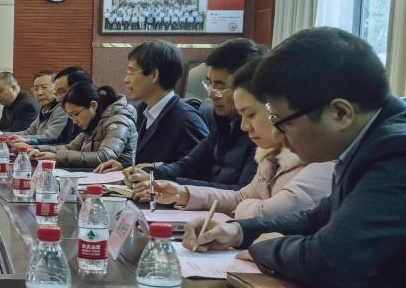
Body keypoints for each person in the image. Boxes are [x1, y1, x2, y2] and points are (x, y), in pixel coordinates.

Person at [185, 28, 406, 288]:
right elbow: (316, 218)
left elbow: (332, 261)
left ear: (340, 113)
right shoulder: (366, 141)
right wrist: (238, 231)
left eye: (282, 121)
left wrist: (266, 248)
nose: (278, 135)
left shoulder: (395, 152)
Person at [149, 58, 333, 218]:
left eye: (251, 114)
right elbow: (242, 197)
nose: (244, 126)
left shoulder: (321, 157)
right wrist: (183, 193)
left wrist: (243, 209)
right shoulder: (270, 152)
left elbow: (274, 212)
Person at [120, 38, 263, 198]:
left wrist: (175, 187)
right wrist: (150, 174)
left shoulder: (259, 134)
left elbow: (242, 194)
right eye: (209, 84)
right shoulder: (223, 124)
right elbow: (187, 165)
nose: (211, 94)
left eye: (220, 86)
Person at [96, 40, 207, 172]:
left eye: (131, 72)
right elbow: (154, 163)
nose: (125, 80)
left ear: (154, 75)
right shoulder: (144, 110)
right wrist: (125, 167)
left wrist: (151, 172)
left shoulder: (186, 119)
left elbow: (196, 171)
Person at [31, 82, 137, 169]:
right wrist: (38, 150)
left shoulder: (117, 121)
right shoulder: (93, 121)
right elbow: (70, 147)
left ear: (93, 105)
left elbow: (104, 156)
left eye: (76, 114)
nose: (74, 121)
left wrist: (57, 157)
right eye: (71, 116)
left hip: (121, 181)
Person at [6, 71, 69, 148]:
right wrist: (4, 136)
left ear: (56, 89)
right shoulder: (44, 109)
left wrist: (24, 140)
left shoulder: (62, 109)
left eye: (44, 87)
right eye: (36, 89)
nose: (39, 93)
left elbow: (49, 137)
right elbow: (29, 132)